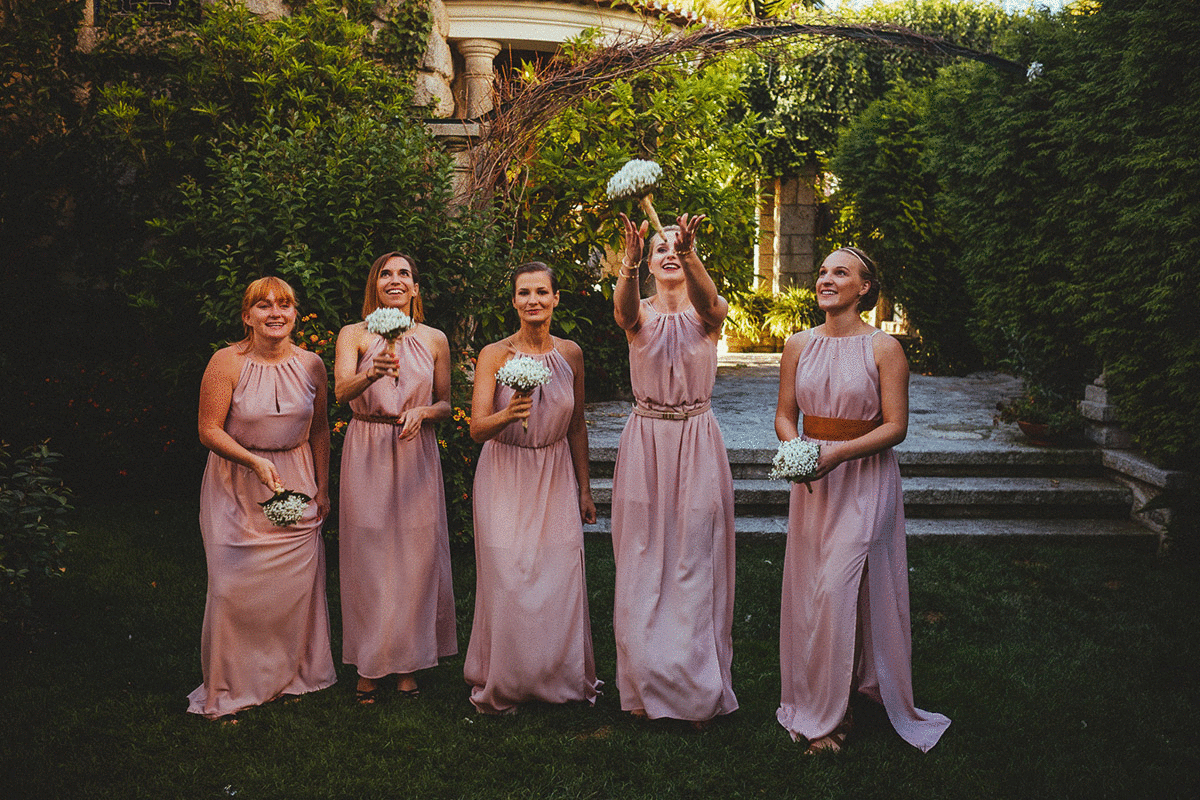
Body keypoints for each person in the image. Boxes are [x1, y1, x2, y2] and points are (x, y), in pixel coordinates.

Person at [774, 246, 950, 753]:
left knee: (839, 587)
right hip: (814, 483)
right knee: (813, 590)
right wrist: (797, 449)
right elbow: (785, 414)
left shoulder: (884, 348)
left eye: (840, 273)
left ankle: (835, 715)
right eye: (823, 272)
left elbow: (896, 427)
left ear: (864, 287)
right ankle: (825, 690)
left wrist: (837, 454)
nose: (826, 279)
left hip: (865, 478)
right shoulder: (797, 344)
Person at [609, 212, 738, 726]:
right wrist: (627, 262)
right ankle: (643, 684)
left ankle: (696, 688)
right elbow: (622, 313)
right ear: (648, 263)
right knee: (640, 562)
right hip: (645, 442)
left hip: (696, 440)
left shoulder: (710, 312)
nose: (667, 254)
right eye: (658, 248)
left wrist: (689, 253)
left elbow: (709, 303)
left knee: (694, 562)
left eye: (675, 248)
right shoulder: (637, 314)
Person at [190, 276, 336, 721]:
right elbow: (208, 429)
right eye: (264, 305)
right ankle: (229, 686)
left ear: (295, 314)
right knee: (231, 587)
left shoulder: (312, 365)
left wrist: (323, 488)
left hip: (297, 479)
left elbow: (320, 430)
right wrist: (253, 461)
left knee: (291, 588)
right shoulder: (226, 362)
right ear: (247, 316)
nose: (276, 312)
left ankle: (286, 676)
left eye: (285, 304)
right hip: (236, 482)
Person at [463, 262, 600, 714]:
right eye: (524, 292)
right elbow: (476, 429)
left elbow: (577, 425)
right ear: (514, 300)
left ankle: (555, 676)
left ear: (556, 298)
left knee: (558, 575)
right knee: (509, 577)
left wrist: (584, 488)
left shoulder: (571, 354)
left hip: (555, 471)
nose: (533, 301)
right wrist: (508, 413)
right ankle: (508, 679)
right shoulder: (494, 355)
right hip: (505, 472)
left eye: (542, 292)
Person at [334, 252, 457, 704]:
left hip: (414, 449)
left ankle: (408, 663)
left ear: (415, 287)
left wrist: (424, 412)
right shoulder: (353, 334)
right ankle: (369, 665)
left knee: (417, 557)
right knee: (367, 556)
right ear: (375, 285)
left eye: (404, 273)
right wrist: (371, 372)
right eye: (385, 274)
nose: (395, 280)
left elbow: (446, 404)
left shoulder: (434, 338)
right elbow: (341, 391)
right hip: (367, 445)